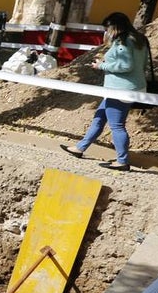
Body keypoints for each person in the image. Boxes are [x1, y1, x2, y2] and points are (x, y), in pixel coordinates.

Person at [61, 11, 148, 172]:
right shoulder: (139, 39)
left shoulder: (123, 41)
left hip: (120, 89)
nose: (107, 31)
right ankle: (80, 148)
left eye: (107, 28)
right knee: (99, 117)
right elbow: (142, 65)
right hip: (132, 87)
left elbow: (125, 65)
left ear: (115, 26)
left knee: (117, 126)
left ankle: (122, 161)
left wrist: (101, 65)